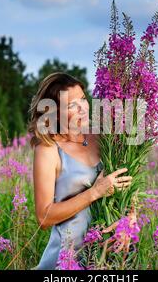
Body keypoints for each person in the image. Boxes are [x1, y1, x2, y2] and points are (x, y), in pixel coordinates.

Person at [28, 72, 132, 270]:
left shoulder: (103, 136)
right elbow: (44, 217)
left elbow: (128, 181)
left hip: (109, 256)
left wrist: (130, 219)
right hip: (68, 262)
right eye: (72, 105)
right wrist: (95, 192)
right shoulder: (48, 149)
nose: (83, 109)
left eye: (83, 100)